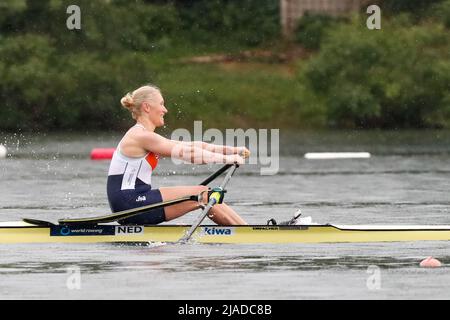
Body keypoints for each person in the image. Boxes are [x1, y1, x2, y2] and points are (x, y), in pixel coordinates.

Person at [107, 84, 249, 226]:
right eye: (161, 104)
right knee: (205, 195)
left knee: (207, 194)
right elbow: (188, 154)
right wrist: (228, 159)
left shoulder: (145, 136)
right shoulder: (141, 136)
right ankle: (245, 233)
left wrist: (232, 150)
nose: (165, 110)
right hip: (130, 204)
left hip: (134, 201)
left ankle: (245, 229)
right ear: (147, 107)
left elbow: (191, 146)